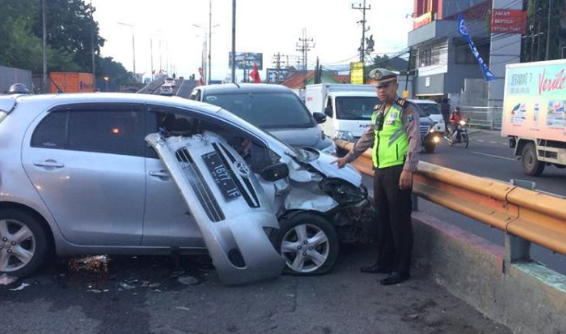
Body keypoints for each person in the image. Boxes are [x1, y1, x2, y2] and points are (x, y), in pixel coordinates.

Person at [333, 68, 421, 286]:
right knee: (383, 219)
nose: (381, 91)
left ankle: (402, 269)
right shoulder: (379, 111)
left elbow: (414, 140)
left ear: (395, 86)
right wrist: (348, 158)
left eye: (385, 86)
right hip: (380, 170)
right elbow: (367, 138)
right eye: (378, 87)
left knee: (399, 222)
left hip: (398, 171)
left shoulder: (406, 110)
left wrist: (408, 169)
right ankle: (383, 262)